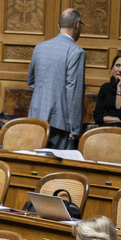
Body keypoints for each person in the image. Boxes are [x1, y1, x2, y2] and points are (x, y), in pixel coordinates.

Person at [28, 8, 88, 151]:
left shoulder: (39, 47)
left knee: (35, 167)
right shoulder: (76, 52)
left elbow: (31, 81)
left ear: (59, 25)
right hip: (60, 123)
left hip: (35, 118)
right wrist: (75, 128)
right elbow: (74, 92)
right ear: (77, 25)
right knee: (61, 171)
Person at [94, 51, 121, 132]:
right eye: (117, 65)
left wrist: (120, 88)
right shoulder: (105, 87)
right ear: (113, 68)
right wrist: (118, 120)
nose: (120, 70)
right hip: (106, 128)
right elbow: (97, 117)